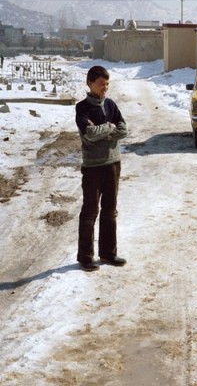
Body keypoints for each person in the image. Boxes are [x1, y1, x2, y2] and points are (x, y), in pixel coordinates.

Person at [75, 65, 128, 271]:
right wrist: (109, 127)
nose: (105, 88)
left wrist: (103, 131)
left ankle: (108, 254)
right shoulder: (82, 108)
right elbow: (89, 134)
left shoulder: (111, 105)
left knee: (110, 211)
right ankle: (85, 257)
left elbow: (123, 129)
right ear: (90, 83)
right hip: (93, 167)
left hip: (113, 164)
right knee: (90, 212)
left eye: (107, 84)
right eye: (101, 84)